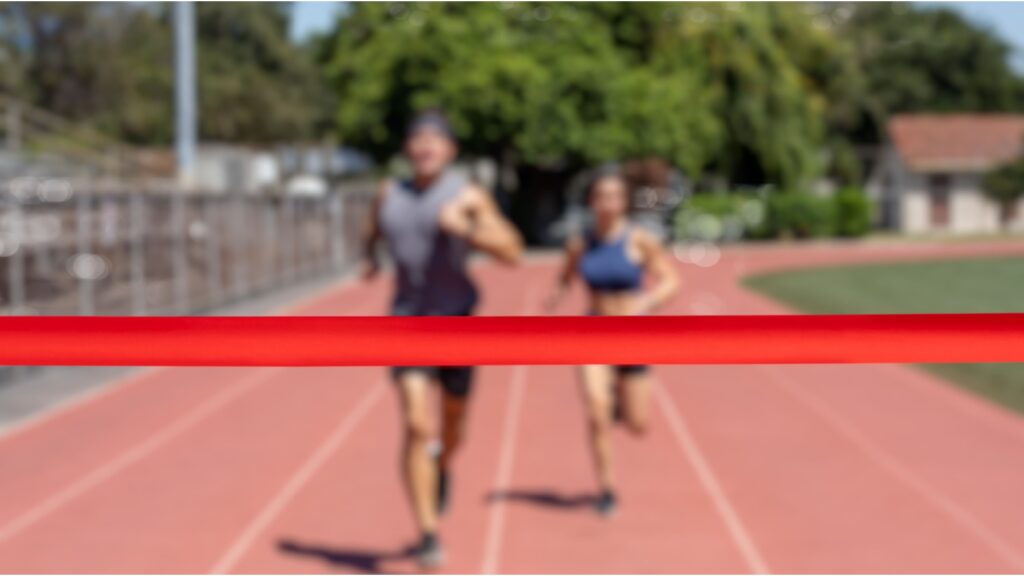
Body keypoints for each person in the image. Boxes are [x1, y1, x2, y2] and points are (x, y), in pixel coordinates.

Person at [362, 110, 524, 567]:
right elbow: (372, 228)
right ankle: (428, 532)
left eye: (435, 139)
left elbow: (513, 250)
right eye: (417, 138)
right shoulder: (388, 193)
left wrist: (467, 228)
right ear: (407, 149)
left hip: (457, 323)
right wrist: (369, 256)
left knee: (454, 427)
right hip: (406, 322)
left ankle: (443, 463)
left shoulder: (467, 196)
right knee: (417, 424)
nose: (425, 146)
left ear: (450, 150)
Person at [546, 169, 680, 517]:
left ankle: (620, 397)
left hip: (632, 335)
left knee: (638, 424)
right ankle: (607, 488)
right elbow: (565, 275)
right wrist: (556, 294)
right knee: (595, 411)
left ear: (623, 202)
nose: (606, 203)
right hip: (594, 331)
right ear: (591, 201)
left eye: (613, 197)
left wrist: (647, 302)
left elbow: (671, 280)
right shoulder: (580, 244)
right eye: (600, 196)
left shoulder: (639, 240)